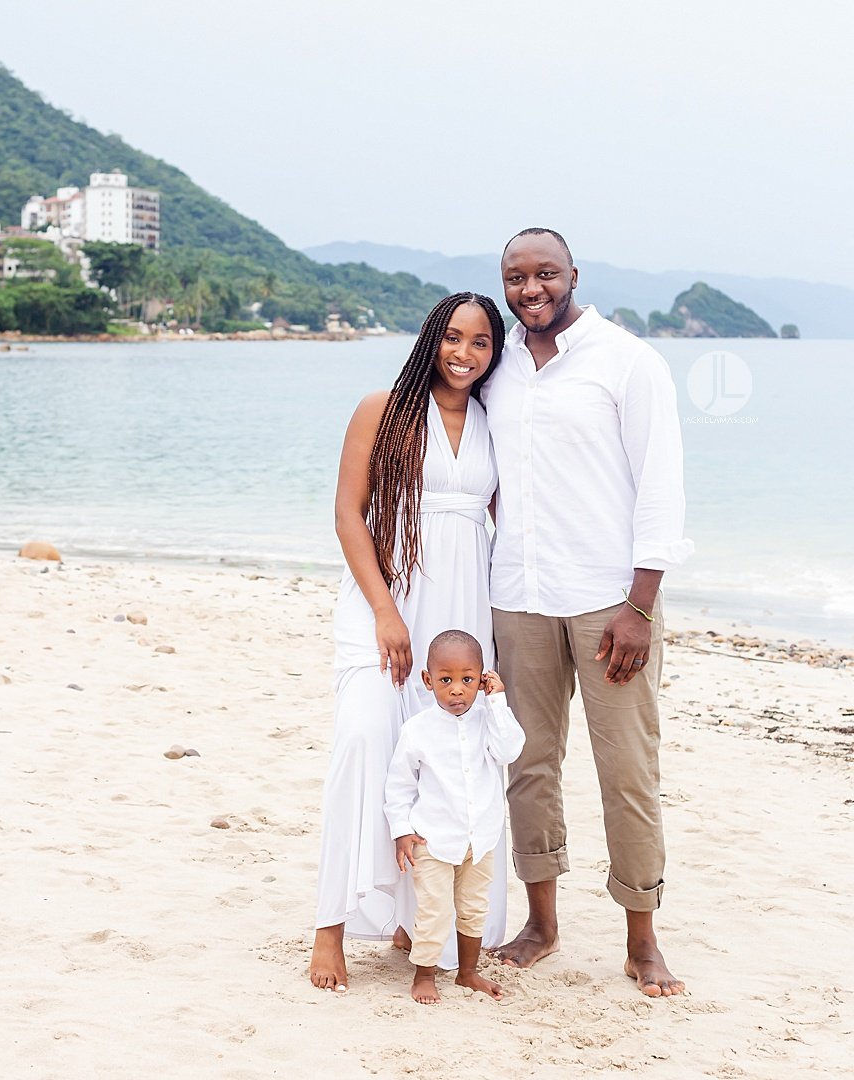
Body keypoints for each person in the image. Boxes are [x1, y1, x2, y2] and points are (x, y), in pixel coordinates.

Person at [481, 228, 693, 997]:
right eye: (515, 277)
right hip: (520, 596)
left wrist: (640, 604)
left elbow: (661, 487)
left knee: (627, 772)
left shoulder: (628, 361)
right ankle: (541, 923)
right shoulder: (497, 367)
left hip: (610, 602)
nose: (530, 289)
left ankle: (642, 939)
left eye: (545, 274)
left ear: (574, 275)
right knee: (527, 765)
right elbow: (491, 474)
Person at [309, 292, 507, 993]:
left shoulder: (493, 422)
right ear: (432, 338)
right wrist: (385, 610)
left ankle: (411, 918)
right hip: (385, 604)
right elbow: (347, 513)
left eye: (480, 342)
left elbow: (507, 522)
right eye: (453, 337)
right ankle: (330, 924)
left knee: (446, 761)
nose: (464, 353)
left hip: (462, 610)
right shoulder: (383, 409)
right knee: (365, 741)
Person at [384, 629, 525, 1004]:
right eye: (446, 680)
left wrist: (498, 702)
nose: (457, 689)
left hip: (480, 838)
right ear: (429, 681)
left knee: (475, 907)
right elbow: (398, 786)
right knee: (433, 910)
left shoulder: (487, 721)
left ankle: (467, 972)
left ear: (481, 680)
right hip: (432, 839)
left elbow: (510, 750)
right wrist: (401, 831)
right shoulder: (417, 730)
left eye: (467, 679)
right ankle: (425, 973)